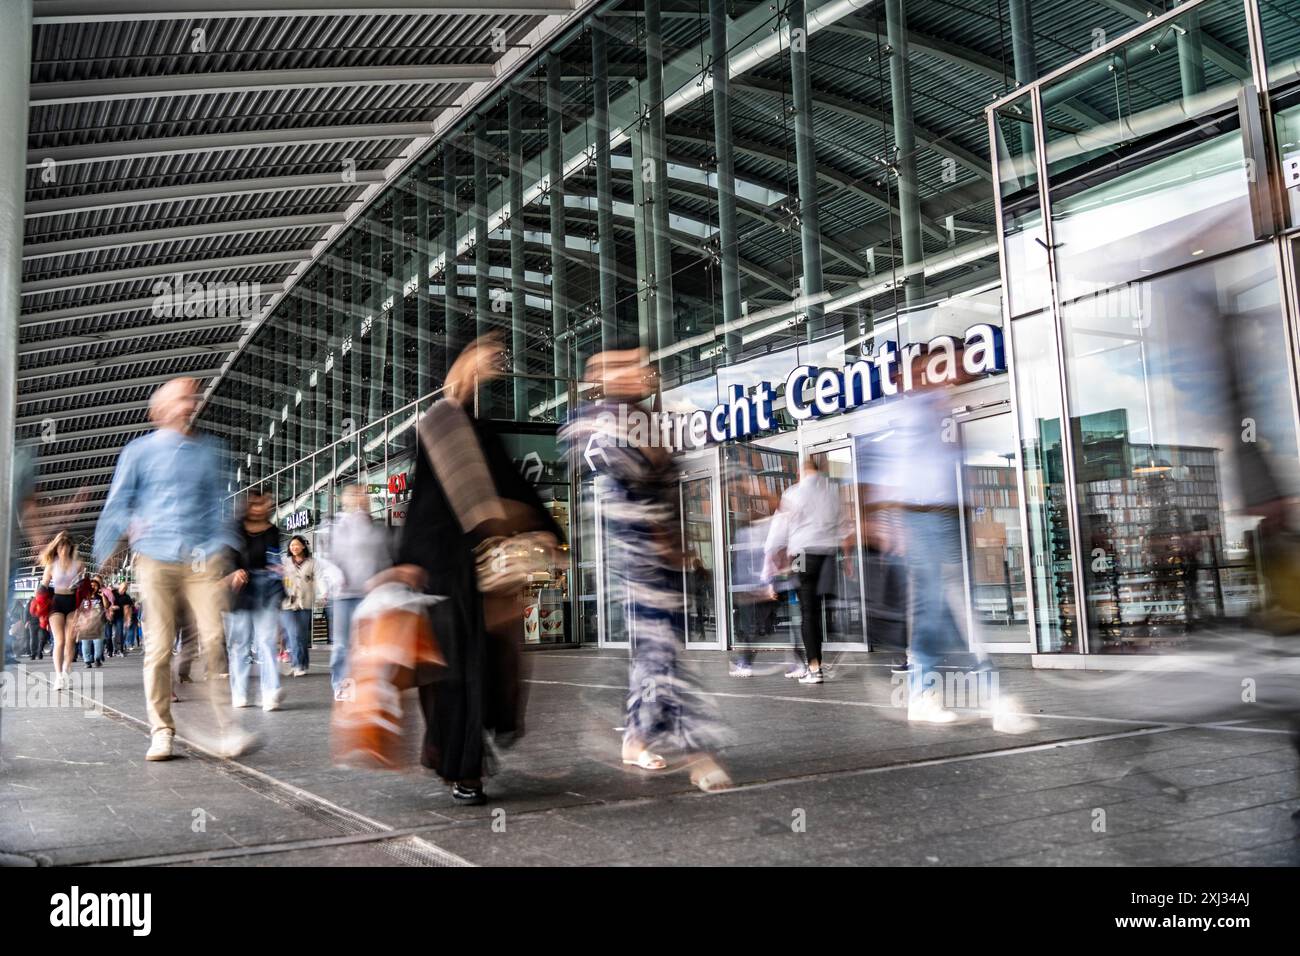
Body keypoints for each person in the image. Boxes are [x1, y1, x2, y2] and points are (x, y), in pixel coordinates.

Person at [387, 334, 562, 805]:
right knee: (458, 671)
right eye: (483, 349)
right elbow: (421, 500)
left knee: (485, 666)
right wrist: (405, 562)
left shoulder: (479, 429)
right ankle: (464, 768)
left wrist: (547, 531)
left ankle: (452, 747)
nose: (493, 357)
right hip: (446, 569)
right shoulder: (438, 424)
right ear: (462, 360)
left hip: (481, 571)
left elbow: (513, 484)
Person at [562, 348, 732, 792]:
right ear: (599, 374)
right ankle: (698, 752)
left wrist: (681, 546)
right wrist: (661, 541)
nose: (640, 370)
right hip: (641, 561)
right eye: (625, 364)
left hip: (663, 560)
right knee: (661, 654)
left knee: (658, 654)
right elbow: (624, 492)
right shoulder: (599, 422)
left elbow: (664, 483)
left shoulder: (641, 418)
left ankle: (635, 739)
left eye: (641, 363)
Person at [93, 377, 244, 762]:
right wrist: (112, 546)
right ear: (158, 411)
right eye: (181, 398)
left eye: (192, 397)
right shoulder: (138, 452)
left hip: (200, 558)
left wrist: (224, 549)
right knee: (159, 648)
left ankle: (227, 727)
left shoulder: (210, 451)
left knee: (213, 638)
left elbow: (217, 505)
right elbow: (117, 504)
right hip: (155, 558)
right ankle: (161, 731)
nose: (189, 404)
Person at [772, 456, 850, 684]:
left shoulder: (793, 492)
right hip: (827, 554)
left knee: (808, 611)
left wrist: (774, 553)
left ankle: (814, 667)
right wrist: (847, 558)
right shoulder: (833, 492)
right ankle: (825, 655)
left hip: (803, 555)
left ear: (802, 471)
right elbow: (843, 525)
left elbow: (780, 526)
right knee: (822, 606)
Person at [317, 485, 392, 699]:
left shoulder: (375, 526)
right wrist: (336, 576)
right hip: (343, 594)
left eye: (363, 494)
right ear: (344, 499)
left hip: (370, 594)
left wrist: (384, 582)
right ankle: (342, 685)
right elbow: (324, 557)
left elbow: (384, 558)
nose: (360, 497)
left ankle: (370, 684)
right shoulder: (333, 524)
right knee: (342, 644)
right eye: (354, 494)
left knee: (370, 643)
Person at [223, 492, 285, 710]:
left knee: (266, 641)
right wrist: (233, 573)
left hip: (265, 588)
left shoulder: (272, 530)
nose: (260, 508)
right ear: (247, 506)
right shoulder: (233, 529)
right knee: (239, 643)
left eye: (264, 505)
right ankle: (239, 692)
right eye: (255, 504)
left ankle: (270, 692)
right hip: (239, 590)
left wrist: (277, 575)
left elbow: (274, 558)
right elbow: (226, 557)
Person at [40, 531, 85, 691]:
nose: (63, 549)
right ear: (56, 547)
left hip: (73, 603)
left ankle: (66, 670)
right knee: (59, 641)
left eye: (66, 546)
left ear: (70, 547)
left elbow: (83, 587)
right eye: (60, 546)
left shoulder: (78, 564)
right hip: (57, 603)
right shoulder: (51, 565)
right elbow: (44, 584)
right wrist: (38, 599)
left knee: (70, 641)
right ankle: (58, 676)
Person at [281, 535, 316, 678]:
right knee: (293, 634)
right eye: (291, 545)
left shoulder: (312, 563)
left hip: (305, 603)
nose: (294, 547)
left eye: (297, 545)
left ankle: (302, 664)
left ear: (303, 546)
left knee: (301, 636)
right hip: (287, 603)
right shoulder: (284, 562)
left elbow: (317, 580)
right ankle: (297, 665)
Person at [75, 576, 111, 669]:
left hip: (98, 623)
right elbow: (78, 610)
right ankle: (87, 661)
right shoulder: (83, 597)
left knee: (99, 644)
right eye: (91, 585)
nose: (93, 587)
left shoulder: (100, 597)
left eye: (95, 585)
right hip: (85, 624)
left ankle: (97, 659)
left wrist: (103, 596)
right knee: (86, 644)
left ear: (98, 587)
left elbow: (106, 606)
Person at [27, 586, 51, 661]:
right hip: (35, 622)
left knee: (40, 638)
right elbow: (28, 612)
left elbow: (28, 612)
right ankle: (34, 654)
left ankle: (38, 652)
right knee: (36, 638)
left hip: (41, 622)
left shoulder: (45, 600)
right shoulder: (34, 601)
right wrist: (27, 621)